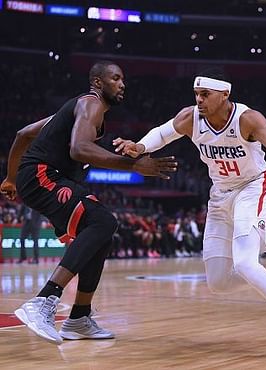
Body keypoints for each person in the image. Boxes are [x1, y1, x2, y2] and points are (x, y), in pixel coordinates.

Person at [113, 69, 266, 360]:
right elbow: (163, 133)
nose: (199, 100)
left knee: (245, 263)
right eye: (196, 94)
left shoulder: (247, 119)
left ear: (224, 95)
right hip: (220, 195)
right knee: (220, 281)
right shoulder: (190, 118)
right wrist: (139, 146)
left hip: (254, 186)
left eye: (205, 95)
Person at [0, 60, 177, 345]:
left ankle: (79, 317)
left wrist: (10, 179)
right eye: (116, 78)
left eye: (123, 80)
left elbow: (23, 134)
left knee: (101, 232)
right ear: (98, 82)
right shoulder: (91, 103)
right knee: (102, 220)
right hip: (42, 174)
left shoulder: (73, 110)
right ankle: (44, 300)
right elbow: (79, 149)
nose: (122, 84)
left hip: (37, 178)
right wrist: (132, 166)